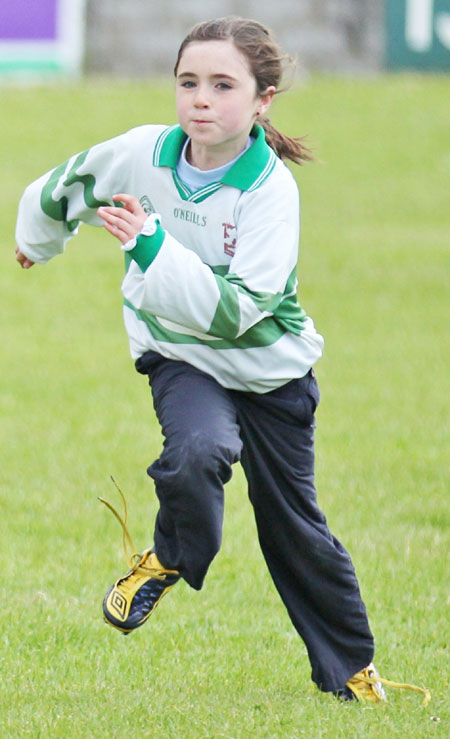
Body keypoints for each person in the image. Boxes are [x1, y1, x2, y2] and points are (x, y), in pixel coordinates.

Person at [15, 16, 429, 706]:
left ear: (262, 100)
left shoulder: (269, 192)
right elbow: (68, 183)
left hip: (271, 372)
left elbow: (239, 312)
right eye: (188, 82)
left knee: (293, 525)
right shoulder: (143, 154)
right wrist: (39, 237)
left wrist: (151, 247)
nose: (200, 99)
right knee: (197, 451)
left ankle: (350, 669)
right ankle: (170, 556)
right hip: (183, 357)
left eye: (222, 85)